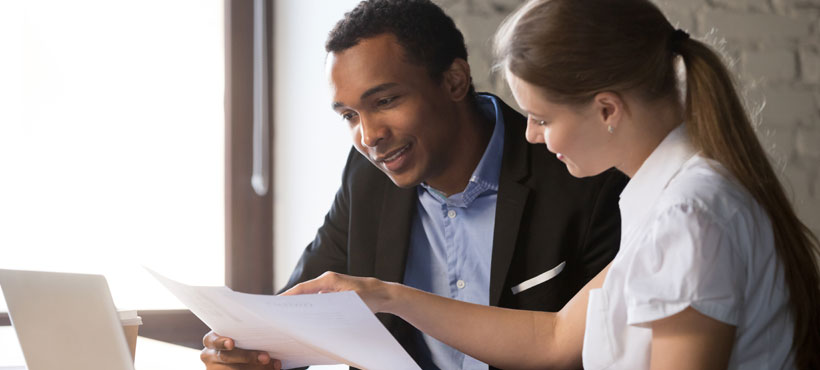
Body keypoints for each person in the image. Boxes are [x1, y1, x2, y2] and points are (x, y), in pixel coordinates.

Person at [284, 0, 820, 369]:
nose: (532, 137)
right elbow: (555, 337)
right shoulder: (666, 201)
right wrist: (385, 296)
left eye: (541, 117)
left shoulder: (688, 217)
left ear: (606, 109)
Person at [200, 0, 627, 369]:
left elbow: (604, 350)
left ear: (455, 81)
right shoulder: (367, 174)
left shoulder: (582, 177)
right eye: (349, 115)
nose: (369, 136)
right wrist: (248, 353)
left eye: (385, 101)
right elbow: (301, 314)